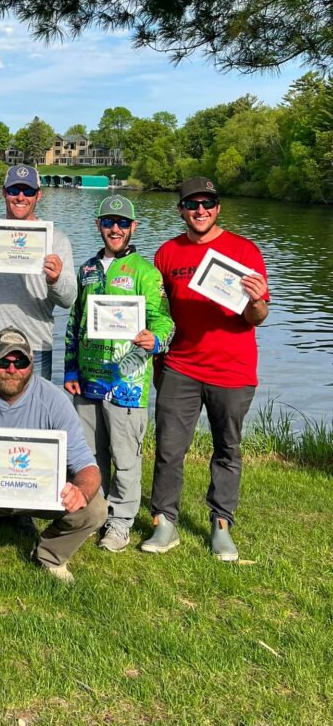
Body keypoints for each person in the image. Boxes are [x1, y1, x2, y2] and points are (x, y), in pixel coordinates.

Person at [141, 176, 269, 561]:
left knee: (227, 450)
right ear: (180, 209)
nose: (200, 211)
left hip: (232, 369)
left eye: (207, 204)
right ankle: (164, 521)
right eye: (192, 204)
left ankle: (221, 523)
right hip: (180, 366)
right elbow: (158, 312)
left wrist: (258, 298)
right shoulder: (167, 253)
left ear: (218, 207)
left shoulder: (243, 251)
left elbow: (258, 316)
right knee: (168, 448)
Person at [0, 326, 106, 582]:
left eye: (20, 361)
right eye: (3, 361)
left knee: (95, 508)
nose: (12, 369)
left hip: (40, 492)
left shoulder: (55, 399)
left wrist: (80, 491)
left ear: (32, 363)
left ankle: (51, 554)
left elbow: (86, 464)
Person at [63, 195, 174, 552]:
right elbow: (74, 323)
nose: (115, 229)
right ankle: (94, 513)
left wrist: (154, 338)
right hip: (87, 381)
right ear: (99, 226)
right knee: (89, 457)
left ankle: (121, 521)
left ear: (133, 227)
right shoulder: (86, 270)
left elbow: (164, 320)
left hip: (128, 382)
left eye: (122, 223)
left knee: (125, 459)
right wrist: (69, 368)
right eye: (109, 222)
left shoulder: (145, 272)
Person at [0, 164, 76, 381]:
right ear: (4, 192)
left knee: (35, 414)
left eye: (28, 191)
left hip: (36, 348)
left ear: (38, 195)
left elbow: (69, 299)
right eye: (14, 190)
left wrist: (56, 280)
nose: (20, 197)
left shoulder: (57, 239)